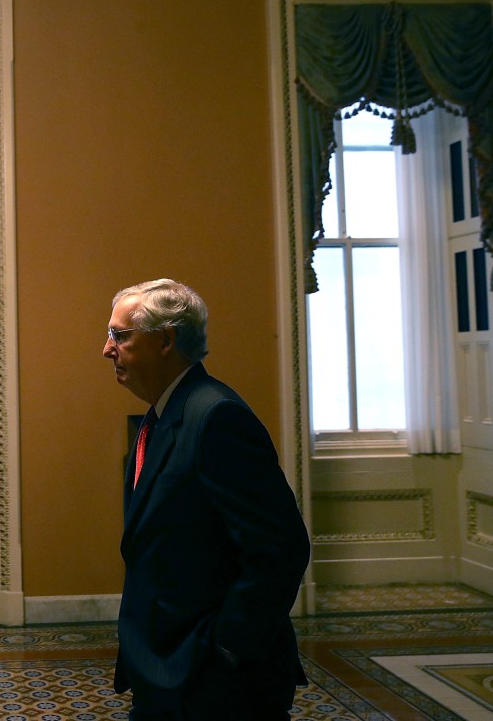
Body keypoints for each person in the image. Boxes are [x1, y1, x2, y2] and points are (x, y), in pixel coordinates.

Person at [102, 279, 310, 720]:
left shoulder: (216, 416)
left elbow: (280, 549)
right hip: (164, 669)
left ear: (165, 341)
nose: (107, 348)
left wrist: (227, 651)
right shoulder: (161, 415)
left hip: (214, 683)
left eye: (120, 335)